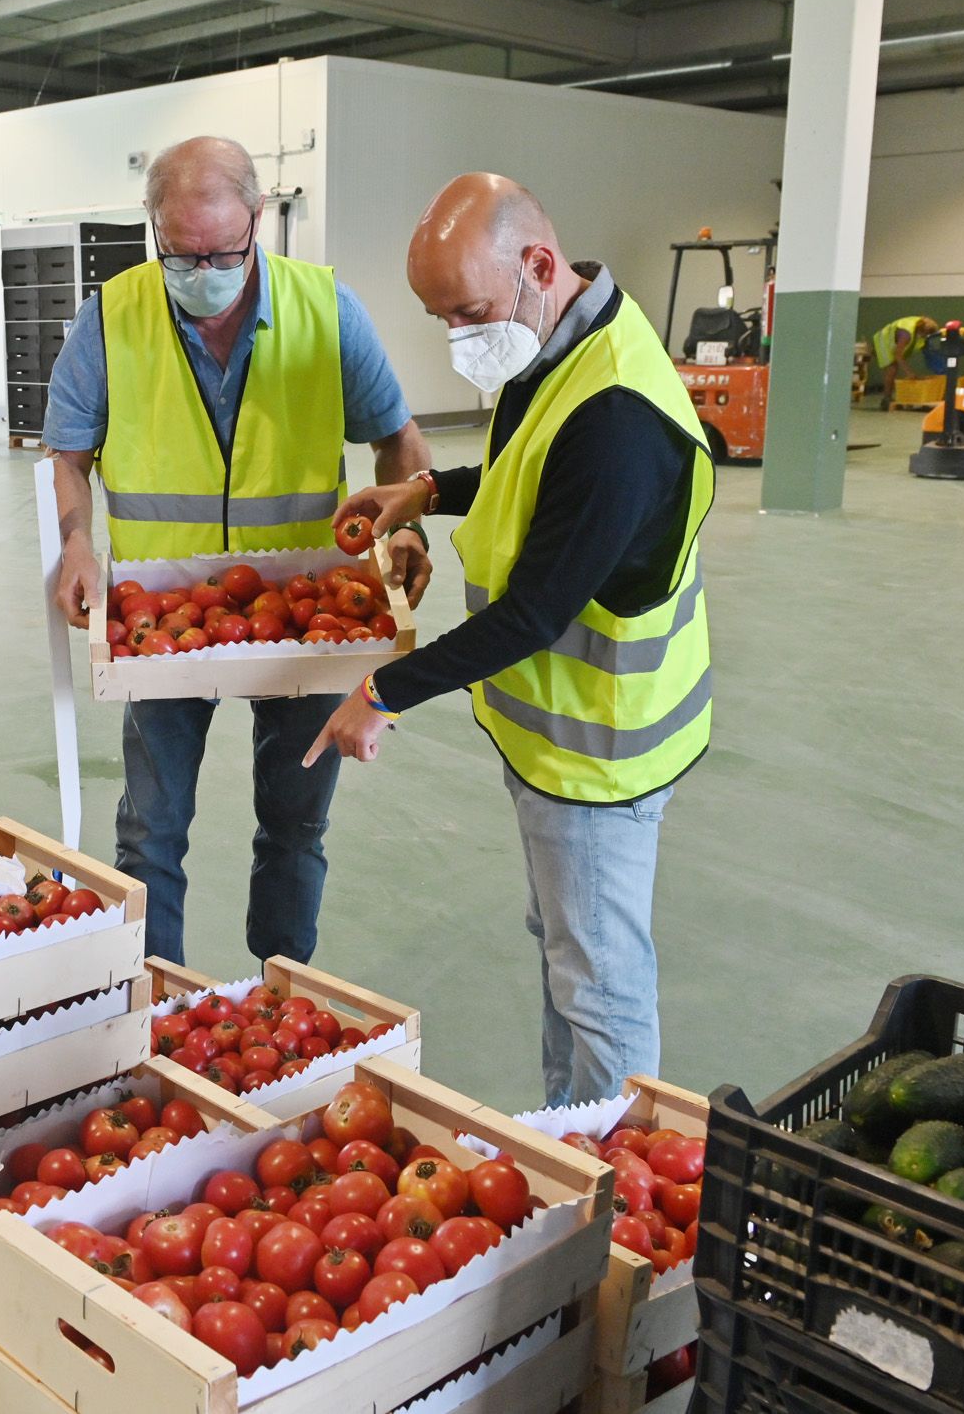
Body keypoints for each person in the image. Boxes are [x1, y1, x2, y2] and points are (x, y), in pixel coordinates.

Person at [305, 174, 716, 1105]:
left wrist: (381, 692)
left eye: (468, 311)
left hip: (599, 747)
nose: (459, 337)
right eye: (440, 317)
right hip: (553, 737)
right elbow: (524, 477)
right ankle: (569, 1127)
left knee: (598, 977)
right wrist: (425, 491)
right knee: (566, 948)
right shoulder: (555, 338)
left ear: (537, 263)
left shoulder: (616, 417)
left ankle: (615, 1169)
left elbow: (532, 613)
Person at [46, 135, 436, 966]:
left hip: (306, 610)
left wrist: (404, 527)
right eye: (178, 254)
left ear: (258, 218)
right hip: (160, 614)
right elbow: (69, 451)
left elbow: (399, 440)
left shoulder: (325, 309)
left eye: (222, 251)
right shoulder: (112, 316)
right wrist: (76, 542)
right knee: (150, 831)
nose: (201, 271)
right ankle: (152, 1010)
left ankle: (276, 996)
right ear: (152, 227)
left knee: (295, 823)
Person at [871, 314, 940, 408]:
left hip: (895, 341)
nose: (926, 337)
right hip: (884, 341)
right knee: (892, 368)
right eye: (926, 335)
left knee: (894, 366)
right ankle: (886, 398)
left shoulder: (920, 326)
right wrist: (909, 373)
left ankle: (888, 397)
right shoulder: (906, 334)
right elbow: (898, 355)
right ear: (922, 331)